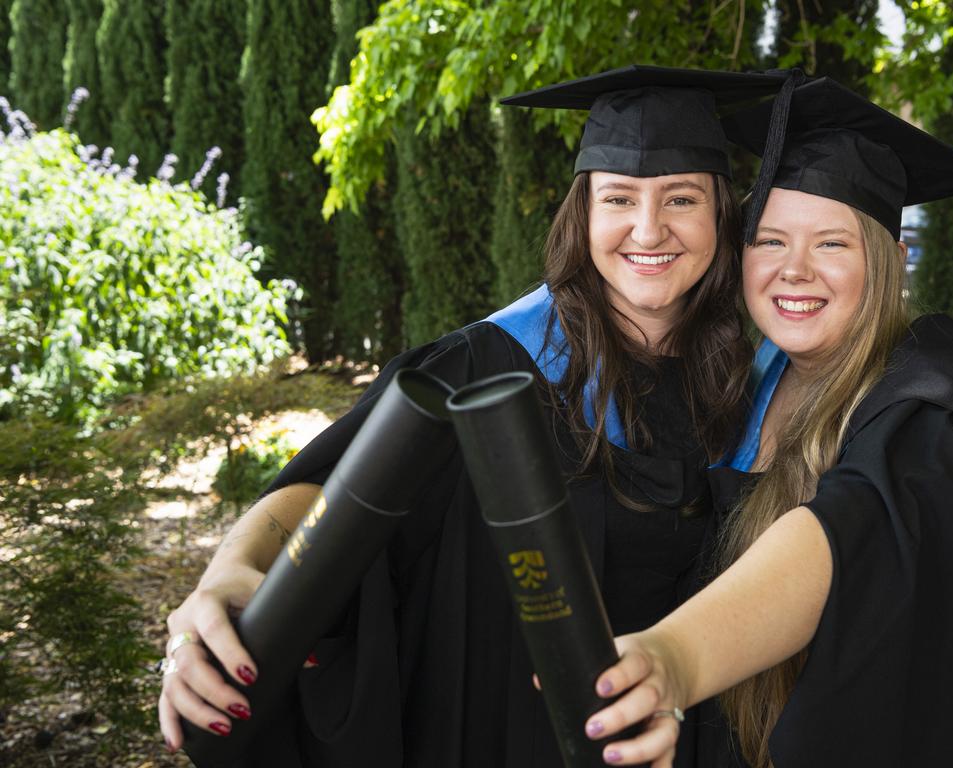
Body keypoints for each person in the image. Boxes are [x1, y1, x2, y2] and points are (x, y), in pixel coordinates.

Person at [158, 66, 794, 766]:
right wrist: (229, 572)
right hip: (499, 734)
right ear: (582, 215)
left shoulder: (748, 382)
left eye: (681, 199)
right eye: (618, 198)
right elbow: (336, 489)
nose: (649, 228)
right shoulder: (488, 365)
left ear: (720, 216)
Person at [584, 76, 953, 768]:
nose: (793, 271)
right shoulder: (750, 377)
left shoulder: (933, 400)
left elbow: (849, 526)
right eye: (769, 240)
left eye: (831, 245)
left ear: (889, 261)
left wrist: (674, 656)